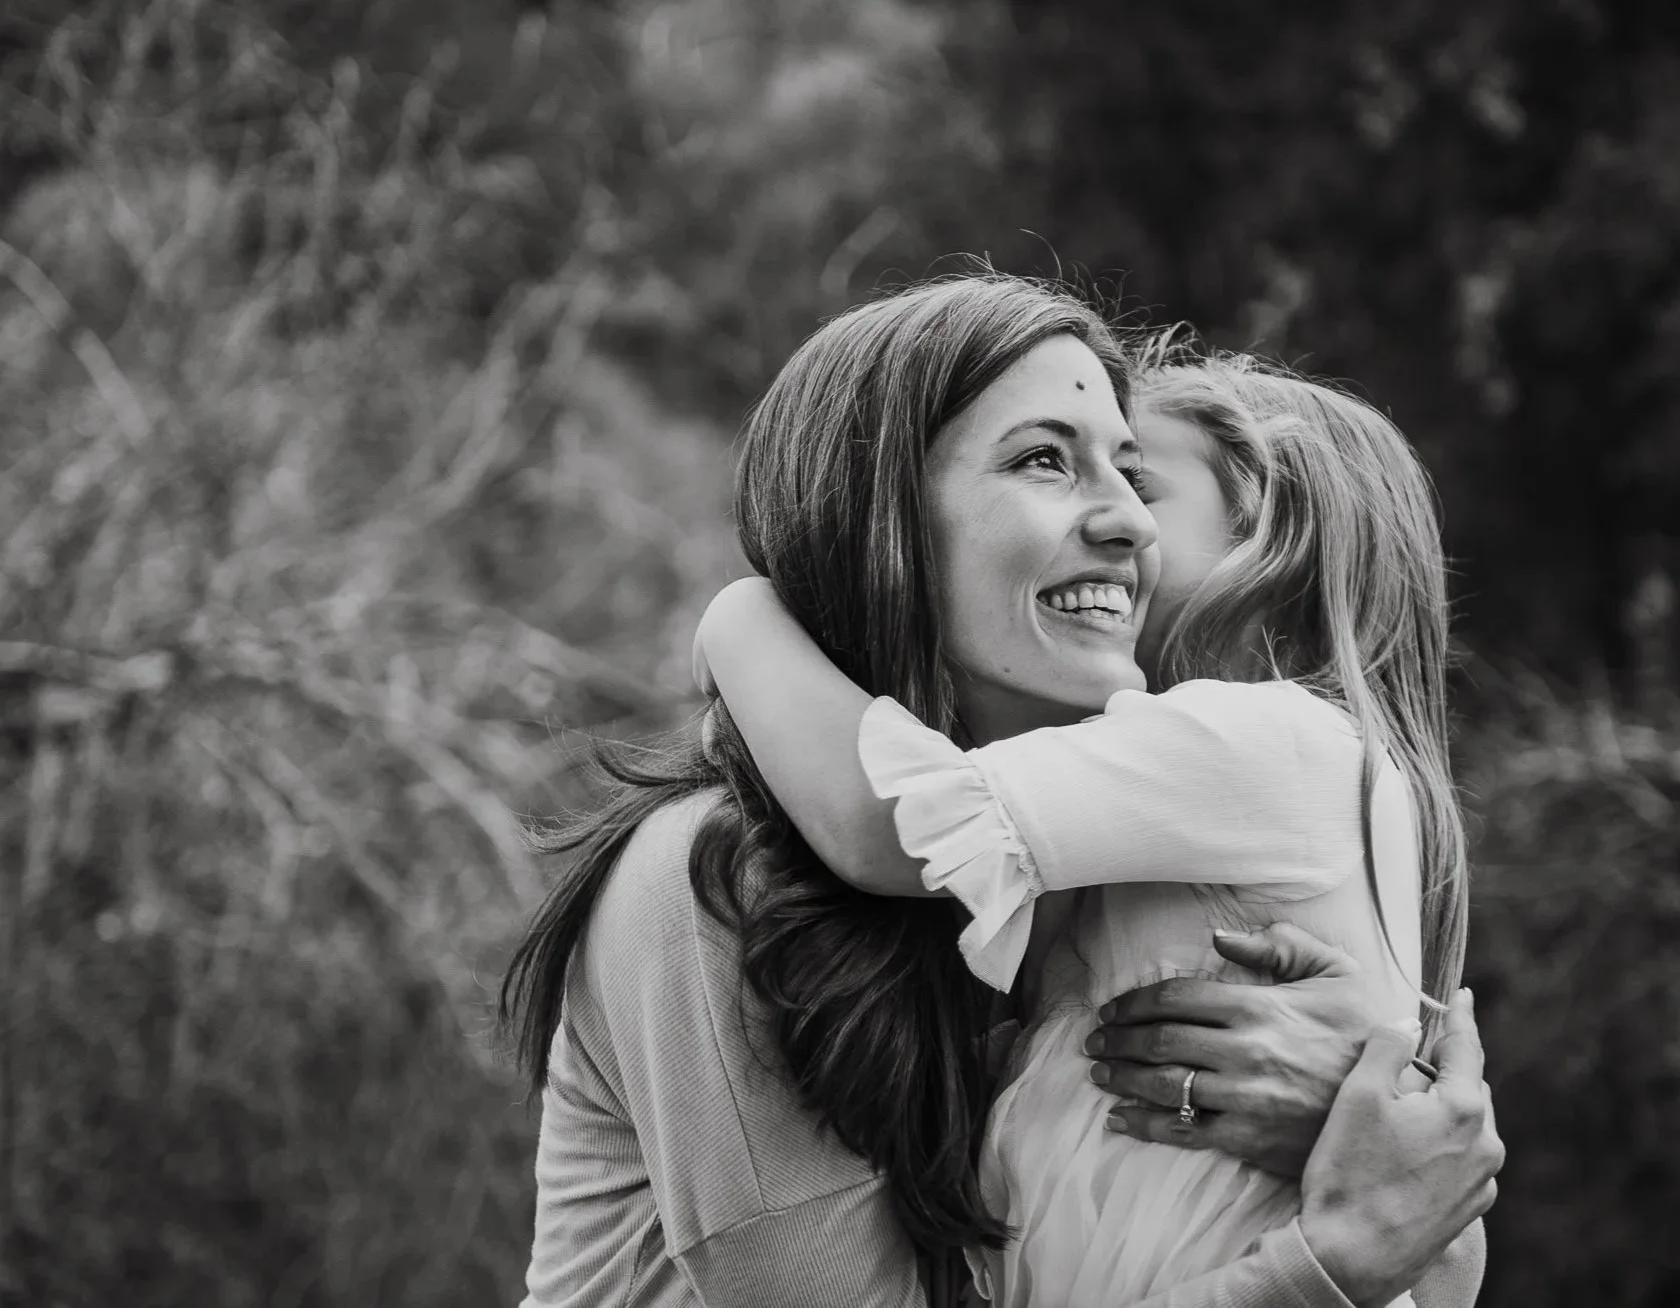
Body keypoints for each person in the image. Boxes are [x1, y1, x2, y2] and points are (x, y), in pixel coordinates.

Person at [503, 275, 1502, 1307]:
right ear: (882, 522)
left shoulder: (1109, 889)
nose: (1129, 525)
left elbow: (1420, 1227)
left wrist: (1362, 1130)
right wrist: (1332, 1259)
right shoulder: (703, 883)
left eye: (1132, 473)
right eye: (1042, 460)